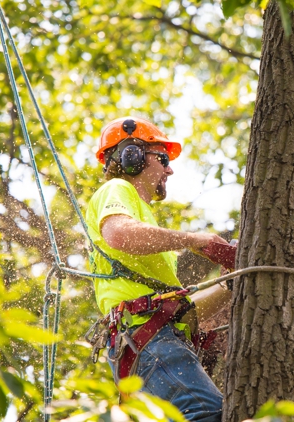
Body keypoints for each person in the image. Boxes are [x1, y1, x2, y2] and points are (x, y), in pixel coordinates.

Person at [85, 116, 231, 421]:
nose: (169, 169)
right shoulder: (117, 189)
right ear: (132, 157)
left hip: (152, 342)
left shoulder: (144, 219)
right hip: (149, 342)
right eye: (162, 157)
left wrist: (229, 284)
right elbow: (120, 233)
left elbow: (180, 312)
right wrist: (195, 241)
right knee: (208, 413)